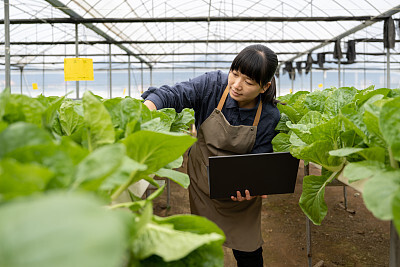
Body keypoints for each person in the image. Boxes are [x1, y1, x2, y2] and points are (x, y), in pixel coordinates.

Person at [142, 44, 280, 267]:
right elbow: (173, 94)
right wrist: (145, 108)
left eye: (249, 82)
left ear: (265, 87)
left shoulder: (269, 115)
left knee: (249, 251)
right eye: (234, 74)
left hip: (239, 192)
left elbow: (260, 161)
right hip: (203, 182)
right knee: (202, 246)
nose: (237, 85)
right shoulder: (212, 85)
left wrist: (254, 189)